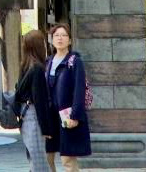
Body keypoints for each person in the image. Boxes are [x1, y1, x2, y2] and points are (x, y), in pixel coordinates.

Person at [12, 28, 59, 172]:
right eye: (43, 43)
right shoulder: (38, 69)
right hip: (34, 117)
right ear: (39, 46)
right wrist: (46, 128)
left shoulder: (25, 66)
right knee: (39, 163)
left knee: (33, 160)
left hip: (26, 117)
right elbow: (40, 101)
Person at [47, 22, 91, 168]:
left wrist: (75, 115)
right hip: (50, 116)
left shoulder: (74, 62)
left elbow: (79, 90)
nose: (60, 38)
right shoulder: (48, 62)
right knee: (48, 156)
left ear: (70, 40)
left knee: (68, 159)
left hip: (66, 115)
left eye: (64, 35)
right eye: (57, 35)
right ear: (52, 39)